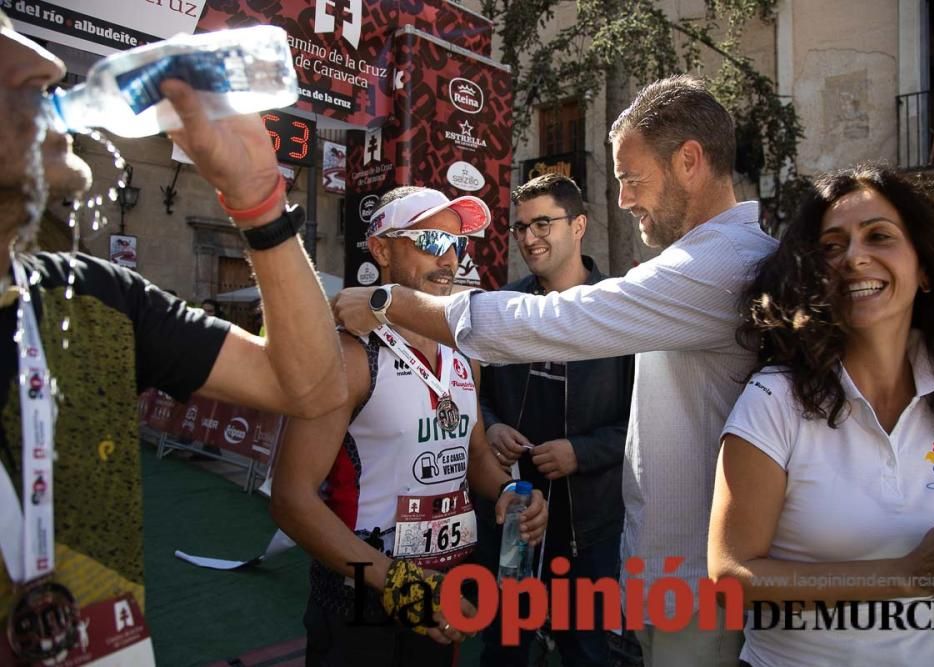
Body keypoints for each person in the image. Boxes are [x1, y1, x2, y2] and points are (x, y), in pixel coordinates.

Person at [333, 74, 774, 665]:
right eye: (425, 239)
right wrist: (507, 477)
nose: (622, 199)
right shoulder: (705, 263)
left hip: (688, 585)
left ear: (689, 161)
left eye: (631, 179)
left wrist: (391, 302)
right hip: (652, 573)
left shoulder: (718, 265)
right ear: (381, 248)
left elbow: (556, 322)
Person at [0, 13, 347, 663]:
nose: (45, 69)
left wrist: (258, 201)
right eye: (2, 59)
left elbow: (310, 387)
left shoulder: (93, 296)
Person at [707, 165, 934, 666]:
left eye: (879, 236)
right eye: (831, 246)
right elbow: (731, 576)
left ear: (925, 267)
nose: (855, 258)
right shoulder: (774, 399)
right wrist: (909, 573)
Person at [270, 186, 549, 667]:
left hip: (445, 591)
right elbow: (291, 499)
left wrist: (508, 491)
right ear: (381, 249)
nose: (450, 261)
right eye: (430, 242)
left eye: (457, 245)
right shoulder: (350, 355)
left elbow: (475, 456)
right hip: (361, 599)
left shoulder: (463, 352)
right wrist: (400, 584)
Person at [473, 173, 633, 667]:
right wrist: (492, 425)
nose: (528, 238)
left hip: (588, 526)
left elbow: (644, 427)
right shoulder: (503, 305)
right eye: (520, 227)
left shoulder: (620, 311)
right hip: (514, 518)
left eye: (543, 223)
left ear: (579, 224)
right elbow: (470, 397)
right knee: (504, 647)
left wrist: (579, 452)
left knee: (585, 651)